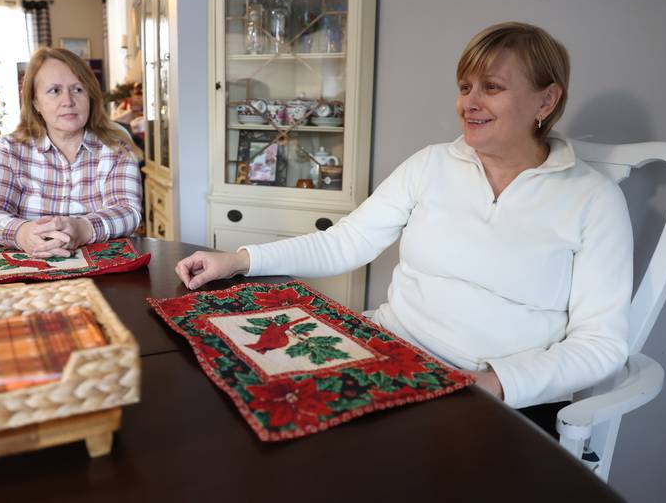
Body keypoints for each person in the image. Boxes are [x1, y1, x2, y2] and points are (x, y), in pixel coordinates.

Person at [175, 22, 633, 426]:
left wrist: (494, 383)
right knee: (238, 396)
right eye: (465, 86)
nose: (468, 103)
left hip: (503, 399)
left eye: (491, 87)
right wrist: (238, 259)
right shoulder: (431, 164)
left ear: (547, 99)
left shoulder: (594, 200)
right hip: (392, 357)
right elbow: (346, 243)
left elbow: (601, 345)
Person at [0, 48, 142, 258]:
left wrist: (84, 228)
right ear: (35, 102)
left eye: (78, 89)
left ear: (90, 96)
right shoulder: (9, 149)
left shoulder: (116, 149)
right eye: (54, 90)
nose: (68, 101)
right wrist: (22, 233)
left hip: (101, 271)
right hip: (28, 271)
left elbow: (128, 211)